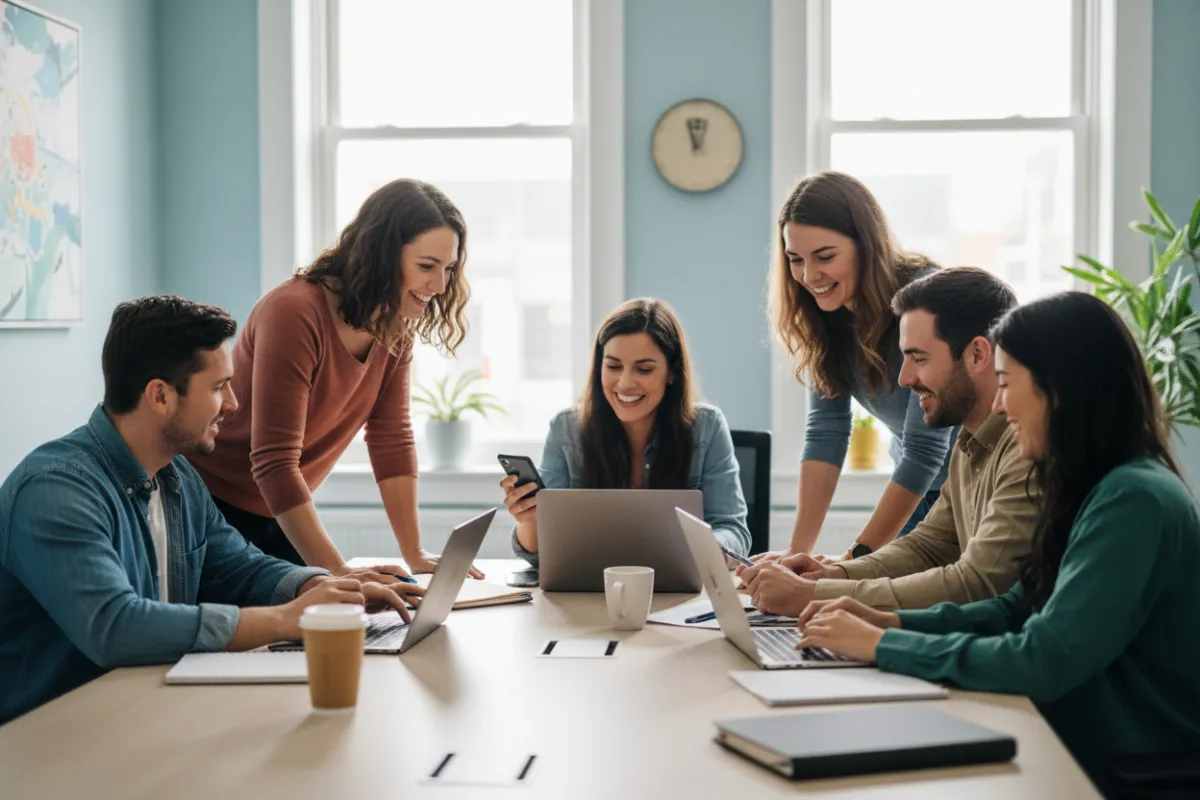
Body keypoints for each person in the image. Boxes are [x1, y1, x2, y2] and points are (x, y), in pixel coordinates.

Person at [793, 291, 1200, 788]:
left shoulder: (1134, 499)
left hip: (1115, 773)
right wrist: (891, 621)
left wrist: (885, 645)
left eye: (1007, 384)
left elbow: (1044, 659)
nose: (1001, 407)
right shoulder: (1089, 486)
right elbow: (1013, 607)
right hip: (1060, 745)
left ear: (1060, 388)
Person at [0, 298, 423, 724]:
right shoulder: (57, 491)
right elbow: (116, 627)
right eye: (219, 387)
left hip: (141, 715)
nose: (234, 404)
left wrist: (320, 587)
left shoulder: (176, 474)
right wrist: (283, 620)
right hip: (46, 739)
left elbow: (237, 565)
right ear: (161, 396)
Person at [189, 179, 481, 579]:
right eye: (426, 267)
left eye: (449, 268)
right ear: (381, 256)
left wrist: (414, 552)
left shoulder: (395, 326)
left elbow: (390, 436)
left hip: (278, 510)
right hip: (209, 507)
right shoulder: (294, 313)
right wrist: (340, 571)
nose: (441, 286)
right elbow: (274, 461)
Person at [740, 268, 1038, 616]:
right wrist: (833, 573)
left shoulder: (1027, 447)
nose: (904, 378)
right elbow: (929, 546)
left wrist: (813, 595)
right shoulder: (969, 439)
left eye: (919, 358)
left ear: (976, 355)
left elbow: (976, 582)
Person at [761, 170, 955, 566]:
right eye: (795, 260)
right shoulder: (827, 318)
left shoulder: (924, 302)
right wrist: (797, 554)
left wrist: (850, 563)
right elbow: (826, 431)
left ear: (866, 246)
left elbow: (924, 448)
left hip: (972, 488)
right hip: (926, 486)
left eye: (825, 257)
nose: (809, 276)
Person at [500, 298, 751, 562]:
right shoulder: (566, 431)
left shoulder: (707, 428)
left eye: (644, 369)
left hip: (682, 595)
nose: (625, 383)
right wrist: (528, 520)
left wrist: (703, 550)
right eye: (613, 366)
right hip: (587, 594)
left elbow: (733, 531)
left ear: (672, 373)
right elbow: (540, 556)